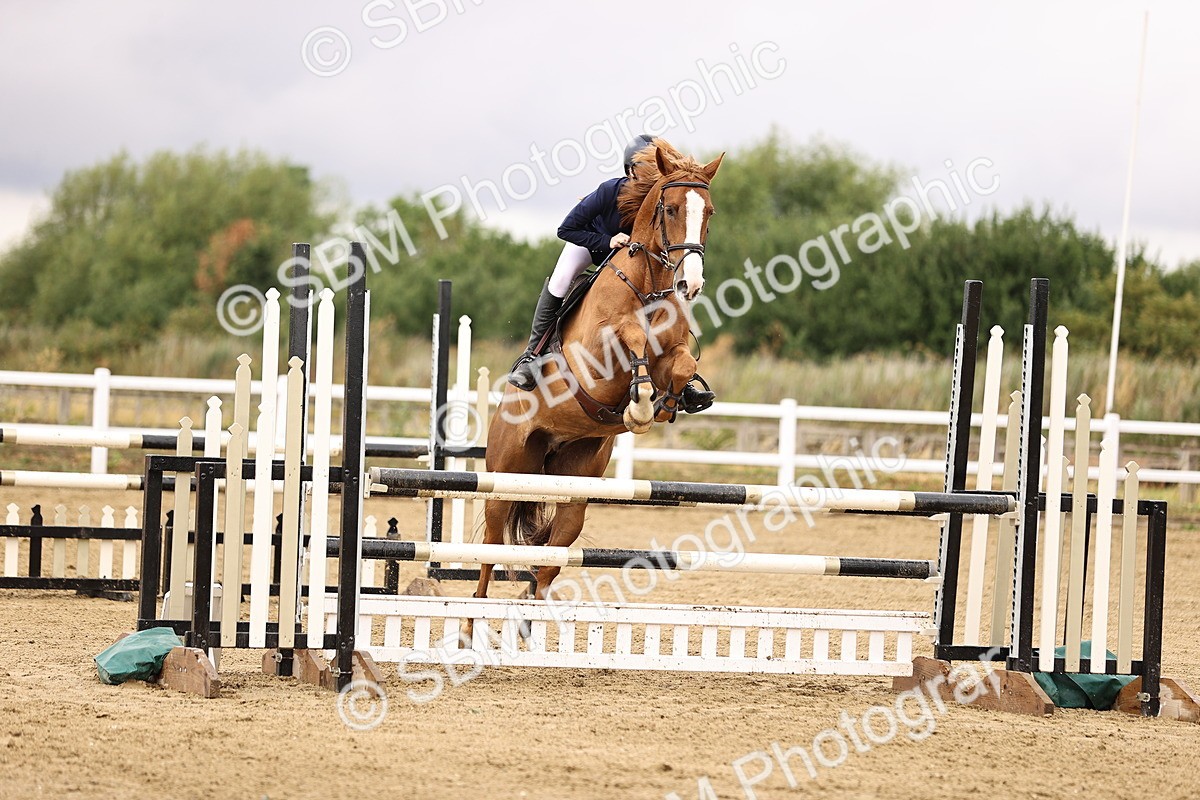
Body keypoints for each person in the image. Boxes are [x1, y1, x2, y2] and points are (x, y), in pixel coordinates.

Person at [507, 135, 716, 414]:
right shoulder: (609, 191)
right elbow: (566, 229)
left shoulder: (664, 195)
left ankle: (680, 380)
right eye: (648, 170)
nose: (655, 175)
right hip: (589, 244)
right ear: (631, 170)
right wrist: (606, 241)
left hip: (629, 256)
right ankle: (531, 356)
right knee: (560, 280)